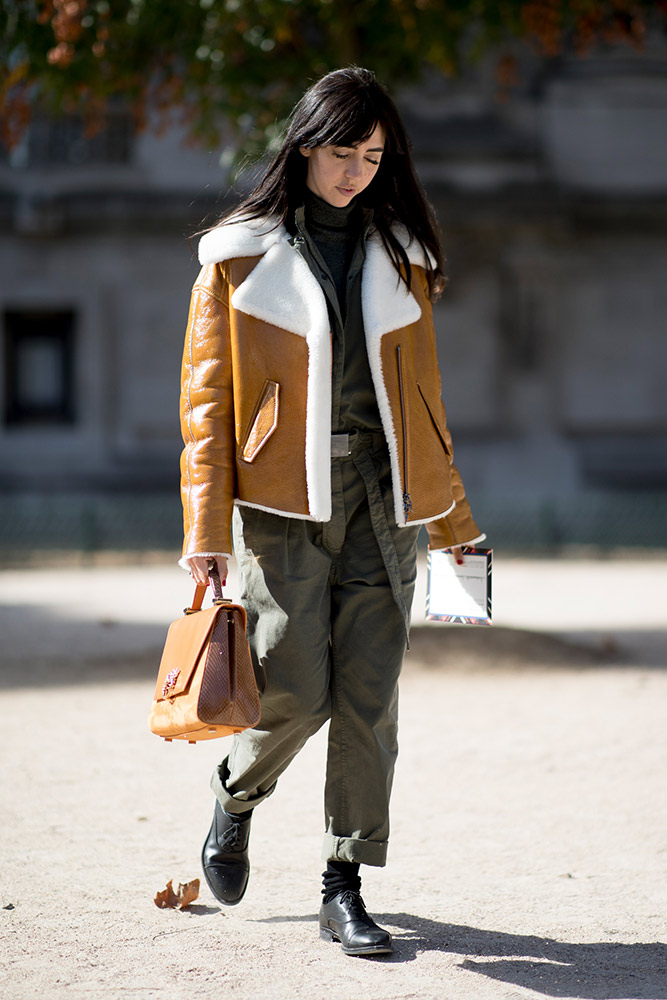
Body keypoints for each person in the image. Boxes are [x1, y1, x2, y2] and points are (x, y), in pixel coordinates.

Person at [179, 66, 484, 957]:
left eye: (374, 155)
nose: (357, 170)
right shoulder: (237, 257)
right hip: (280, 505)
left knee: (369, 698)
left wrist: (455, 525)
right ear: (304, 145)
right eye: (343, 152)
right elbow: (207, 408)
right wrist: (203, 534)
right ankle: (234, 796)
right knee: (295, 689)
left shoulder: (404, 258)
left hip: (385, 498)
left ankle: (341, 883)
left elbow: (423, 405)